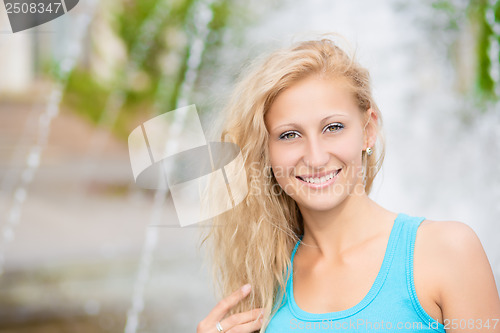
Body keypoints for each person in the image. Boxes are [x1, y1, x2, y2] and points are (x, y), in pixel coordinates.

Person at [196, 35, 500, 332]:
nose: (315, 157)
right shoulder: (264, 278)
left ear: (368, 130)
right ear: (266, 150)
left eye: (333, 127)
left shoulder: (446, 251)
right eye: (289, 134)